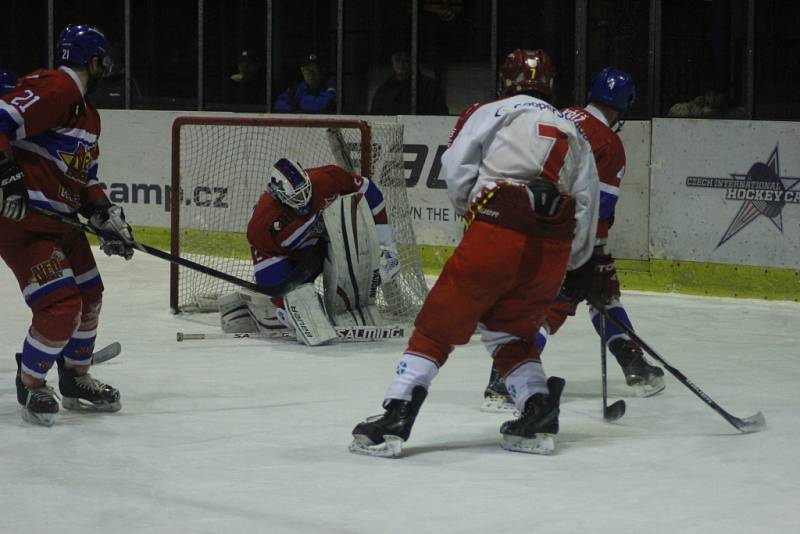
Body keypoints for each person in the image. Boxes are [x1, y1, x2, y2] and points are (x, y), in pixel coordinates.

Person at [349, 49, 601, 458]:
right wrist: (574, 263)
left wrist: (478, 211)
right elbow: (586, 208)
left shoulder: (492, 111)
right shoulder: (575, 132)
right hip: (552, 246)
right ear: (551, 84)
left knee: (436, 326)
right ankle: (537, 411)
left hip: (500, 228)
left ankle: (397, 416)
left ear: (505, 80)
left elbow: (457, 168)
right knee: (511, 332)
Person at [481, 68, 665, 413]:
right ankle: (504, 379)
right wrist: (591, 254)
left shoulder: (560, 115)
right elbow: (600, 209)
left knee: (603, 291)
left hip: (523, 223)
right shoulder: (610, 144)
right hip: (564, 234)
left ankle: (634, 364)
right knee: (555, 307)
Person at [0, 24, 134, 426]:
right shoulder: (58, 86)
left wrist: (104, 215)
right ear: (95, 61)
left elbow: (84, 178)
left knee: (91, 293)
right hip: (27, 222)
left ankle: (75, 378)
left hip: (62, 221)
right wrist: (7, 174)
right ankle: (32, 383)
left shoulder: (88, 115)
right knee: (61, 307)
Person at [242, 158, 401, 333]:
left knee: (352, 219)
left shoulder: (328, 177)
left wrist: (386, 244)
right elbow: (269, 270)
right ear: (279, 196)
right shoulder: (262, 226)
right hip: (284, 256)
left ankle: (353, 308)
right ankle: (267, 311)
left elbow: (370, 191)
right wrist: (285, 300)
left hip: (319, 243)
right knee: (301, 312)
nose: (304, 200)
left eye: (305, 191)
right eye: (296, 197)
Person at [370, 51, 448, 115]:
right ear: (392, 62)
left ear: (413, 61)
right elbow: (376, 116)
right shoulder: (384, 91)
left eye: (406, 60)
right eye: (397, 59)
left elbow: (441, 114)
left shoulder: (429, 87)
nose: (401, 64)